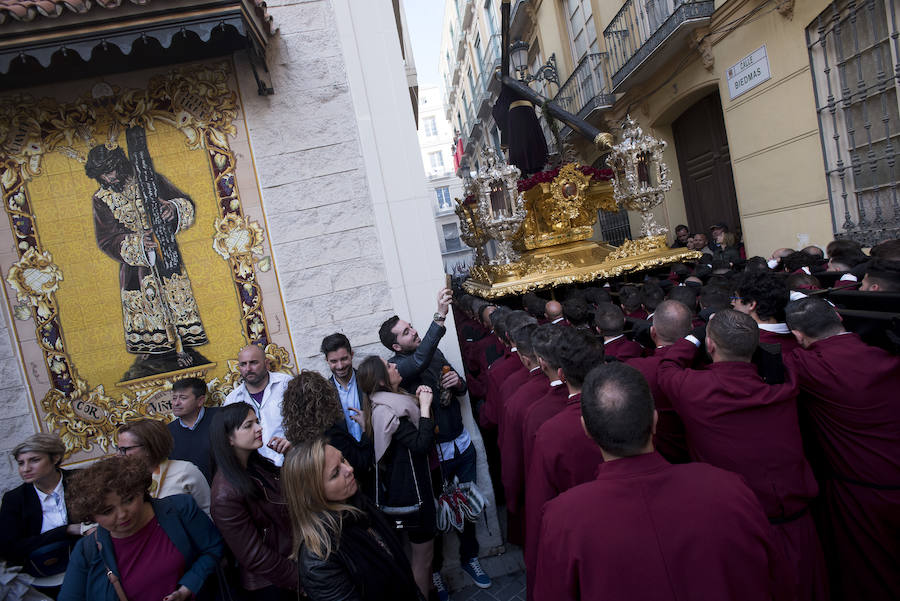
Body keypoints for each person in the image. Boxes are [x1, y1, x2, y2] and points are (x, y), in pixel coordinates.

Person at [533, 362, 792, 601]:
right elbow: (774, 576)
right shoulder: (729, 488)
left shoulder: (564, 519)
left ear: (586, 430)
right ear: (655, 420)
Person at [657, 309, 826, 601]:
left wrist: (693, 337)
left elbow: (667, 366)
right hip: (798, 520)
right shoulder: (785, 383)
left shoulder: (694, 389)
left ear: (710, 346)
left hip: (740, 529)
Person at [784, 297, 900, 601]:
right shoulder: (886, 353)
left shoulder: (808, 365)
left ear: (798, 337)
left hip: (863, 491)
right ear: (838, 315)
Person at [379, 289, 490, 593]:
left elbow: (461, 386)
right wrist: (439, 315)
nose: (412, 331)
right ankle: (436, 572)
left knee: (468, 508)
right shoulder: (398, 369)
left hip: (461, 444)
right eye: (405, 332)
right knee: (438, 517)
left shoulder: (434, 353)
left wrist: (458, 383)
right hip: (435, 453)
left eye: (411, 326)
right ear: (395, 346)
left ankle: (470, 557)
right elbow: (419, 361)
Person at [84, 141, 208, 381]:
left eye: (111, 172)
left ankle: (184, 346)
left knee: (175, 299)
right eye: (103, 175)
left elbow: (183, 201)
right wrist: (136, 244)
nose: (109, 179)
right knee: (147, 310)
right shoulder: (101, 199)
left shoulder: (147, 179)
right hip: (136, 265)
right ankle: (156, 353)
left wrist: (173, 209)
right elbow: (107, 238)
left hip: (165, 253)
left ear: (119, 166)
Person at [58, 456, 223, 601]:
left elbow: (213, 548)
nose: (122, 514)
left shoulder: (179, 509)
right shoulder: (86, 551)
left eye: (129, 500)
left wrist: (188, 587)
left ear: (140, 491)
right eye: (107, 511)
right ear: (91, 516)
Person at [283, 439, 420, 601]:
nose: (349, 469)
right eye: (335, 473)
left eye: (343, 459)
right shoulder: (320, 558)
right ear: (313, 494)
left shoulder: (359, 506)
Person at [524, 328, 605, 594]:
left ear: (560, 373)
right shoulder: (628, 401)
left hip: (581, 537)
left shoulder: (551, 432)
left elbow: (541, 505)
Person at [356, 355, 436, 600]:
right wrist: (424, 407)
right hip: (414, 497)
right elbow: (421, 444)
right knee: (423, 560)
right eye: (389, 366)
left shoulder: (379, 405)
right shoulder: (393, 411)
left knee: (411, 556)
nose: (395, 366)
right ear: (381, 380)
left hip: (400, 495)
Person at [209, 403, 298, 600]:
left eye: (256, 422)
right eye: (248, 425)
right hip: (273, 583)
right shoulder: (225, 494)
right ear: (228, 438)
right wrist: (300, 578)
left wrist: (291, 456)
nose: (259, 428)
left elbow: (295, 494)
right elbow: (255, 556)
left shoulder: (256, 465)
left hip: (293, 563)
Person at [0, 434, 85, 592]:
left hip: (88, 565)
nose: (25, 469)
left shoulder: (82, 480)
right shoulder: (15, 499)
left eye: (34, 460)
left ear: (55, 458)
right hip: (42, 578)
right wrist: (65, 530)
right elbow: (9, 548)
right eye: (21, 463)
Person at [624, 300, 694, 464]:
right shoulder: (705, 363)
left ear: (653, 332)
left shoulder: (636, 369)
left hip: (660, 458)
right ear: (690, 330)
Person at [282, 370, 374, 492]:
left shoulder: (298, 439)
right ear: (326, 398)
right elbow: (361, 463)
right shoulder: (331, 435)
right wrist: (365, 430)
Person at [116, 420, 210, 515]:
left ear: (149, 448)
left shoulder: (185, 471)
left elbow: (208, 511)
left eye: (124, 449)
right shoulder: (122, 480)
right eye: (118, 449)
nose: (118, 455)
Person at [224, 344, 292, 466]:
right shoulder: (232, 400)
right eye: (243, 364)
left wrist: (293, 442)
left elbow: (309, 422)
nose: (248, 368)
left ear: (266, 363)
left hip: (294, 460)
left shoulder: (287, 384)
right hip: (259, 470)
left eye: (253, 363)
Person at [168, 377, 218, 483]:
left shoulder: (220, 418)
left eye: (183, 398)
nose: (176, 403)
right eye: (174, 398)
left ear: (200, 401)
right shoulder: (167, 432)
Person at [321, 333, 365, 442]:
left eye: (344, 359)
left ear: (352, 355)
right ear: (327, 360)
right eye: (334, 361)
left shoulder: (368, 380)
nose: (340, 366)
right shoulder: (323, 393)